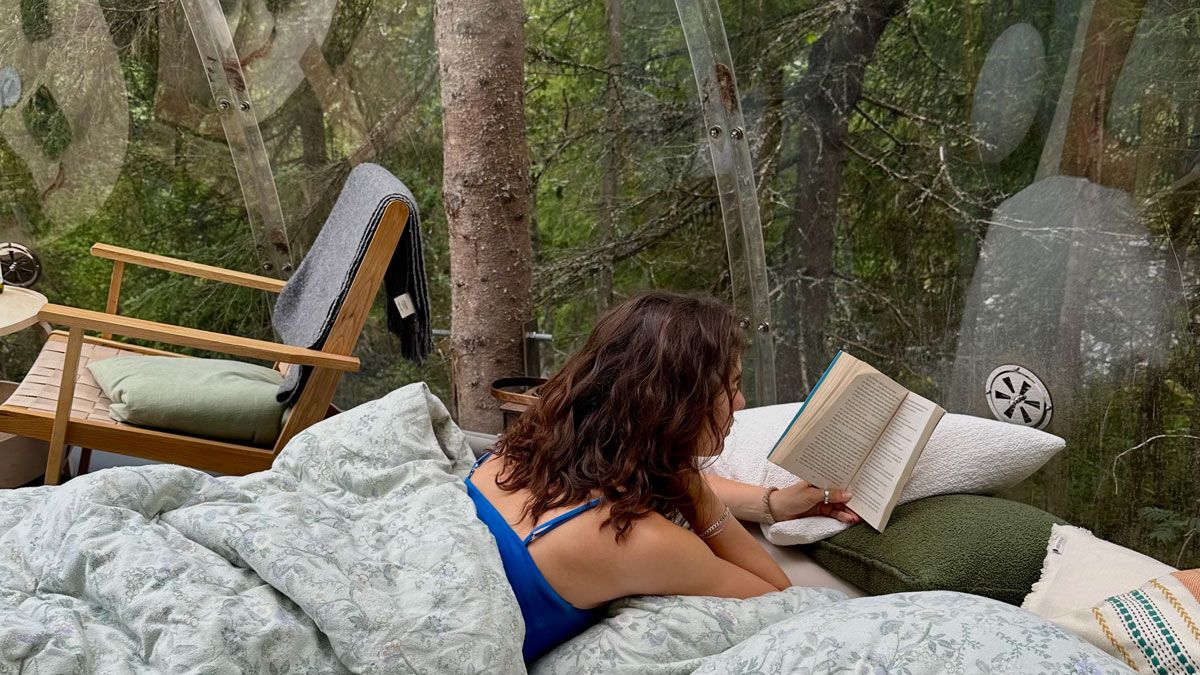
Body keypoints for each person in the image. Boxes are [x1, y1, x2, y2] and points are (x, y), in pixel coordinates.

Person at [464, 291, 860, 661]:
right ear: (679, 405)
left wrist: (772, 503)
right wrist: (693, 483)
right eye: (733, 386)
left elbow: (649, 476)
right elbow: (775, 594)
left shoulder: (521, 450)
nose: (741, 403)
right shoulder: (637, 540)